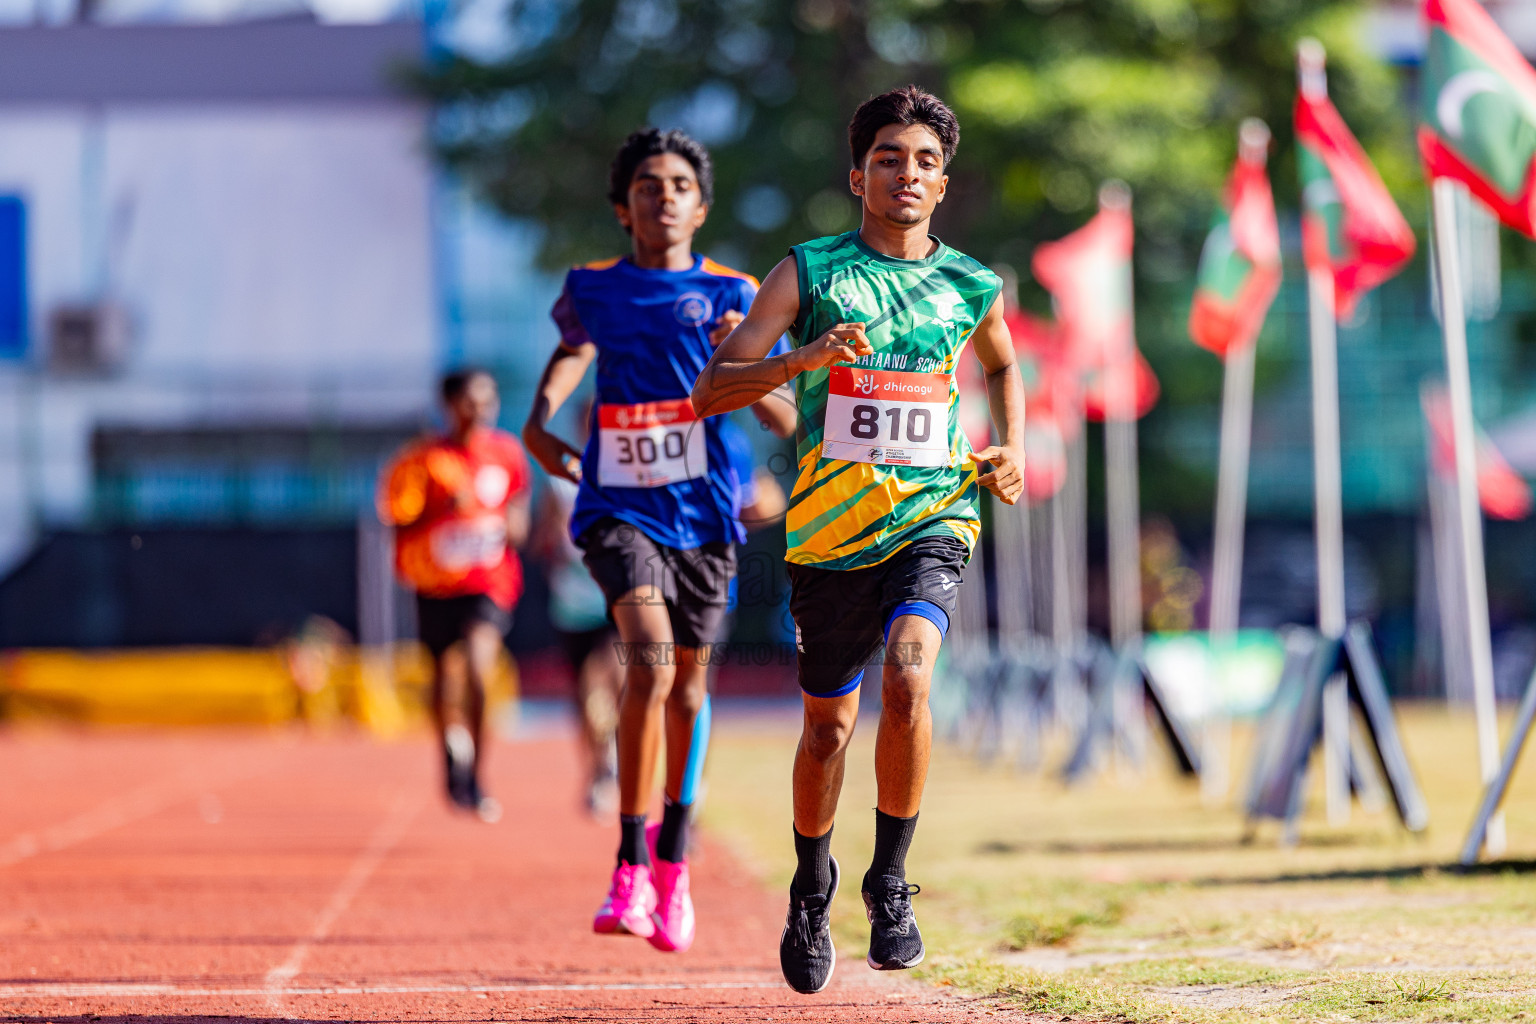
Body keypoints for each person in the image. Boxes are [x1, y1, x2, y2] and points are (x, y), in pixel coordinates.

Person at [691, 85, 1026, 993]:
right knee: (829, 728)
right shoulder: (807, 271)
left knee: (912, 673)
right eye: (889, 158)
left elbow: (1000, 361)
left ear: (943, 183)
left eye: (923, 161)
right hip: (830, 535)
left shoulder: (971, 282)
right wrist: (802, 360)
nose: (905, 174)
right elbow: (713, 389)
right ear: (858, 174)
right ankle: (811, 886)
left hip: (933, 516)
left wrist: (1011, 449)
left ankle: (890, 881)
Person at [522, 127, 795, 955]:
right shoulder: (594, 289)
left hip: (707, 515)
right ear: (623, 206)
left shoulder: (735, 293)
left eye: (680, 183)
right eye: (648, 183)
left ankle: (674, 864)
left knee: (685, 691)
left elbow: (784, 415)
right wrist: (538, 420)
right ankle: (628, 861)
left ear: (701, 206)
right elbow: (571, 352)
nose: (664, 194)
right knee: (646, 657)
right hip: (618, 507)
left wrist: (743, 367)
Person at [378, 367, 532, 823]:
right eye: (470, 400)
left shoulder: (507, 453)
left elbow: (519, 511)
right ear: (449, 405)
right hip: (435, 581)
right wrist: (442, 507)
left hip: (489, 582)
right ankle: (451, 747)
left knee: (481, 664)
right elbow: (396, 516)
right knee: (443, 677)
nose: (480, 409)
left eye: (488, 400)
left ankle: (477, 775)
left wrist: (508, 525)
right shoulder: (423, 459)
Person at [533, 470, 622, 817]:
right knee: (586, 693)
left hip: (617, 600)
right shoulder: (560, 484)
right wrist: (552, 538)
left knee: (611, 680)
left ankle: (609, 767)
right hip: (574, 605)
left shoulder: (628, 472)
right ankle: (599, 766)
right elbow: (539, 541)